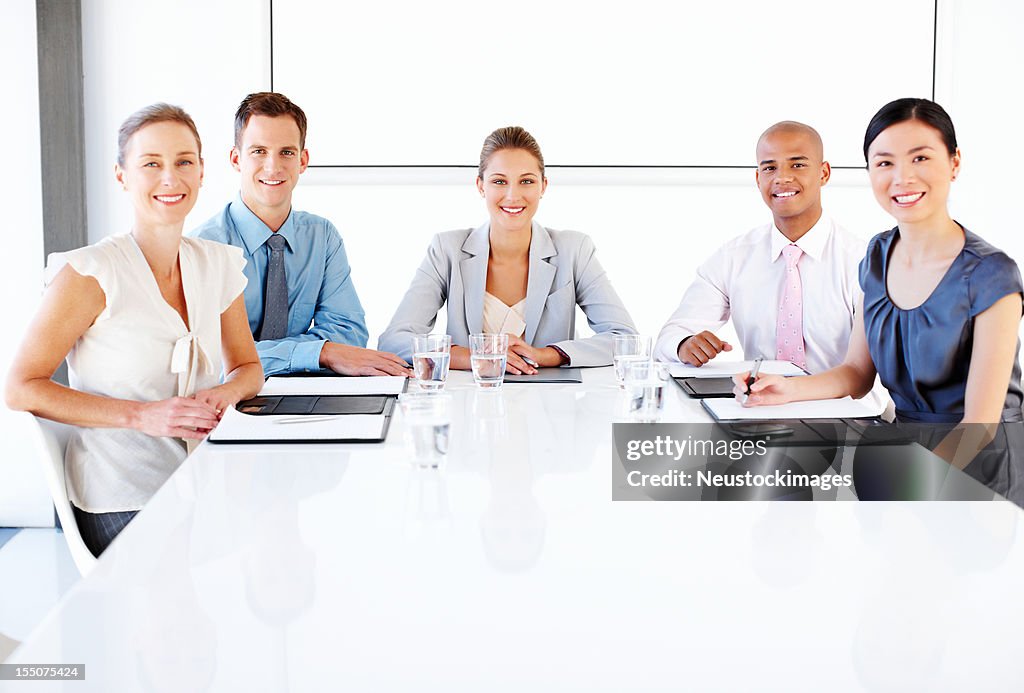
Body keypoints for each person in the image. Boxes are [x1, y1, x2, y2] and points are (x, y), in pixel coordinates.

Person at [5, 104, 264, 556]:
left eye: (184, 161)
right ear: (122, 176)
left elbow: (247, 367)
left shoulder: (218, 263)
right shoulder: (89, 273)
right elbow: (20, 388)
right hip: (124, 497)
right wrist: (141, 415)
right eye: (151, 164)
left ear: (202, 171)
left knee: (282, 540)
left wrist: (222, 394)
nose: (170, 178)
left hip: (203, 483)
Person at [738, 98, 1023, 492]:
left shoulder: (992, 274)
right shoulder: (877, 255)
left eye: (920, 158)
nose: (902, 178)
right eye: (885, 162)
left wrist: (904, 484)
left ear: (954, 162)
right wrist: (785, 388)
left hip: (978, 477)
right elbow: (856, 373)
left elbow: (979, 429)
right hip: (903, 452)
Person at [378, 126, 636, 373]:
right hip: (471, 403)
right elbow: (394, 340)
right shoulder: (447, 250)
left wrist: (545, 355)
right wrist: (475, 358)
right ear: (481, 186)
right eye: (499, 182)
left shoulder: (574, 250)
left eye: (526, 181)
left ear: (543, 186)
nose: (513, 196)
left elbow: (625, 339)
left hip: (550, 405)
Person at [193, 92, 410, 377]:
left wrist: (287, 355)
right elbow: (208, 358)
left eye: (286, 152)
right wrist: (321, 352)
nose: (273, 166)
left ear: (303, 160)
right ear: (236, 159)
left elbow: (349, 334)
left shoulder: (322, 237)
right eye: (259, 151)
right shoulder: (203, 248)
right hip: (225, 404)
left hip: (307, 391)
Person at [654, 122, 867, 374]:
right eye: (769, 168)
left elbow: (869, 370)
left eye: (797, 165)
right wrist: (684, 345)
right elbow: (671, 336)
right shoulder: (733, 257)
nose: (782, 177)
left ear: (824, 174)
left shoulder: (861, 261)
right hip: (761, 406)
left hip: (845, 408)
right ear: (758, 178)